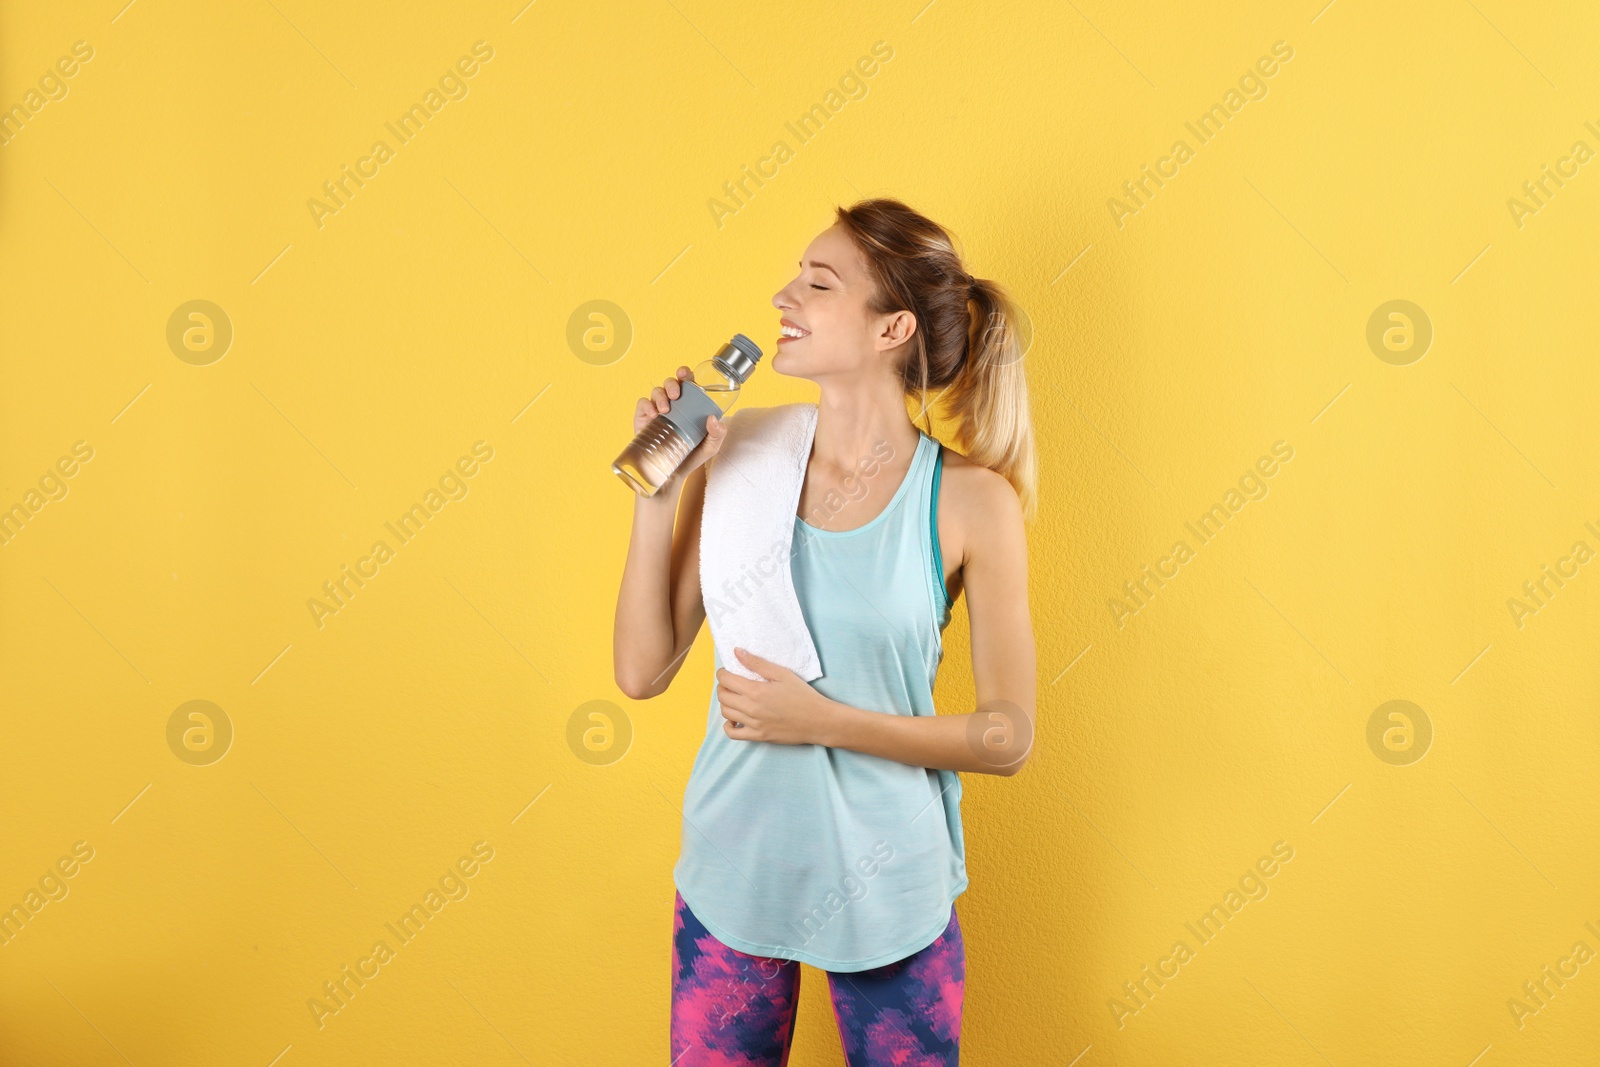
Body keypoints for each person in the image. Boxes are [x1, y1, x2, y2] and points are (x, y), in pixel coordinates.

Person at [613, 198, 1038, 1066]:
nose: (783, 296)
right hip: (734, 869)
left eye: (817, 282)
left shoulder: (970, 501)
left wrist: (825, 721)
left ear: (893, 328)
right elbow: (641, 670)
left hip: (893, 885)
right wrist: (659, 496)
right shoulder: (740, 454)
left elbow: (1008, 736)